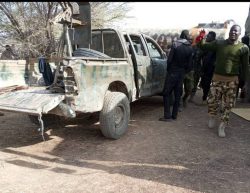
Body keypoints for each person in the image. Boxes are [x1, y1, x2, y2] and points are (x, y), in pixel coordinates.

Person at [196, 25, 249, 137]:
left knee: (228, 105)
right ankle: (212, 115)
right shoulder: (219, 44)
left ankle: (222, 126)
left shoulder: (243, 48)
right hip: (217, 79)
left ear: (239, 33)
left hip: (232, 81)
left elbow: (245, 67)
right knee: (211, 101)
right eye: (231, 30)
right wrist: (201, 37)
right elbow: (204, 46)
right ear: (229, 32)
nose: (233, 32)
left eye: (236, 31)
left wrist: (245, 83)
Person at [159, 30, 193, 121]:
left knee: (166, 93)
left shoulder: (175, 44)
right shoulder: (190, 47)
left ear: (181, 35)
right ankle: (174, 116)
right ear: (187, 37)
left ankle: (167, 116)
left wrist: (169, 70)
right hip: (181, 73)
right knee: (178, 94)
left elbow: (169, 60)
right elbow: (190, 66)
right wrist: (184, 72)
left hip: (173, 72)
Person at [198, 31, 217, 104]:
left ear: (213, 38)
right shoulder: (206, 45)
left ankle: (206, 97)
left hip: (211, 69)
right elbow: (201, 53)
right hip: (205, 67)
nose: (207, 37)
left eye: (209, 36)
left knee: (208, 83)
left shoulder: (215, 46)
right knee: (204, 83)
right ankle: (206, 96)